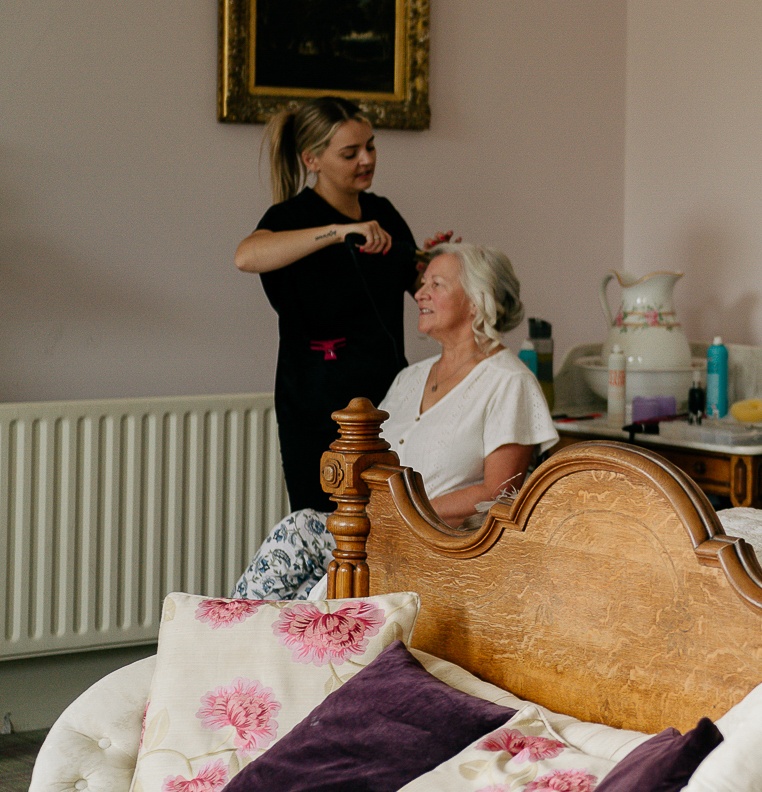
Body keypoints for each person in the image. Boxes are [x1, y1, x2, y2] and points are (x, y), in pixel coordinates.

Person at [233, 243, 559, 600]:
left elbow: (499, 495)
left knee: (298, 531)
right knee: (294, 597)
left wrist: (404, 517)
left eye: (437, 284)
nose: (419, 293)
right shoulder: (410, 378)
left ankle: (220, 633)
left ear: (477, 299)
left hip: (437, 545)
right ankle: (226, 637)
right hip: (372, 535)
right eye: (423, 284)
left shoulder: (509, 381)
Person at [235, 98, 417, 514]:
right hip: (318, 405)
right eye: (350, 153)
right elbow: (246, 256)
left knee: (390, 525)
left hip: (389, 394)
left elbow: (415, 281)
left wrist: (435, 261)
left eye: (370, 146)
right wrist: (338, 232)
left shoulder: (382, 211)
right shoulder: (291, 216)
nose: (367, 159)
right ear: (312, 159)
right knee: (326, 524)